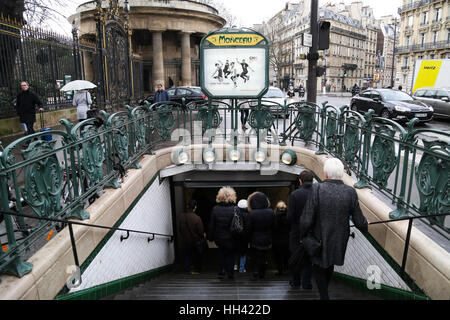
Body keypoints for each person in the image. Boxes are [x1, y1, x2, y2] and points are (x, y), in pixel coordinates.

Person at [300, 158, 368, 300]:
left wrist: (303, 235)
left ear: (325, 174)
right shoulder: (350, 192)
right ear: (341, 174)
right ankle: (325, 295)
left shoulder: (317, 188)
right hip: (340, 237)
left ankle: (324, 297)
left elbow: (307, 217)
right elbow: (359, 219)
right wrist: (365, 225)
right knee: (330, 263)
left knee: (319, 265)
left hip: (319, 236)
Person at [287, 169, 314, 289]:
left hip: (297, 232)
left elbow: (290, 216)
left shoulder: (295, 194)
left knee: (296, 257)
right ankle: (306, 283)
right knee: (308, 258)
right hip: (313, 233)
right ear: (312, 180)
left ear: (300, 181)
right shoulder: (317, 193)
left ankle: (295, 281)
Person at [209, 187, 238, 280]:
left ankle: (221, 271)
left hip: (219, 237)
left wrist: (211, 236)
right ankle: (230, 273)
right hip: (232, 237)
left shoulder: (215, 209)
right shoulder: (235, 209)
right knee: (231, 255)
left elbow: (212, 224)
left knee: (221, 253)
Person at [247, 192, 274, 279]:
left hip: (255, 238)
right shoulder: (271, 212)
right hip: (267, 238)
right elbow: (274, 226)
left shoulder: (252, 214)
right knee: (264, 256)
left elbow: (249, 228)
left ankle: (255, 270)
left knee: (255, 256)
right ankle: (262, 273)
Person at [179, 200, 205, 274]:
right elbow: (201, 231)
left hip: (185, 240)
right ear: (195, 207)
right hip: (195, 240)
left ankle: (187, 270)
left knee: (187, 255)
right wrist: (203, 235)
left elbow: (180, 229)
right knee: (197, 255)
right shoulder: (197, 218)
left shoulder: (181, 216)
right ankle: (197, 269)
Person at [272, 201, 290, 275]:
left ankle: (280, 270)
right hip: (287, 238)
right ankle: (286, 268)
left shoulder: (274, 216)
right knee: (287, 254)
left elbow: (273, 228)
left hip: (277, 239)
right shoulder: (289, 216)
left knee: (278, 256)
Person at [234, 199, 250, 273]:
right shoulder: (248, 215)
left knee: (236, 250)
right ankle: (242, 268)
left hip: (236, 235)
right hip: (244, 236)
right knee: (243, 252)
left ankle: (235, 265)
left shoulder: (235, 214)